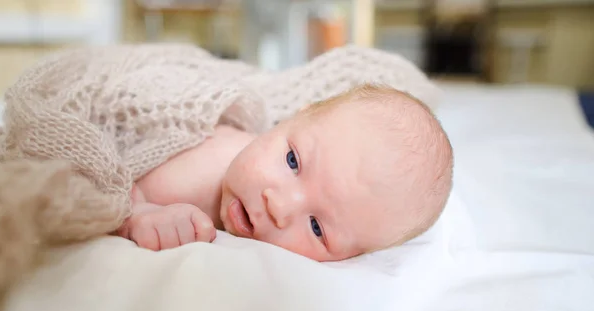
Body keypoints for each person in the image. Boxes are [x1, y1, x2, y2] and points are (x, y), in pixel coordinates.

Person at [117, 83, 453, 262]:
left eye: (317, 227)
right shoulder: (198, 166)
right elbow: (96, 178)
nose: (279, 206)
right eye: (293, 161)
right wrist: (138, 213)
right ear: (290, 118)